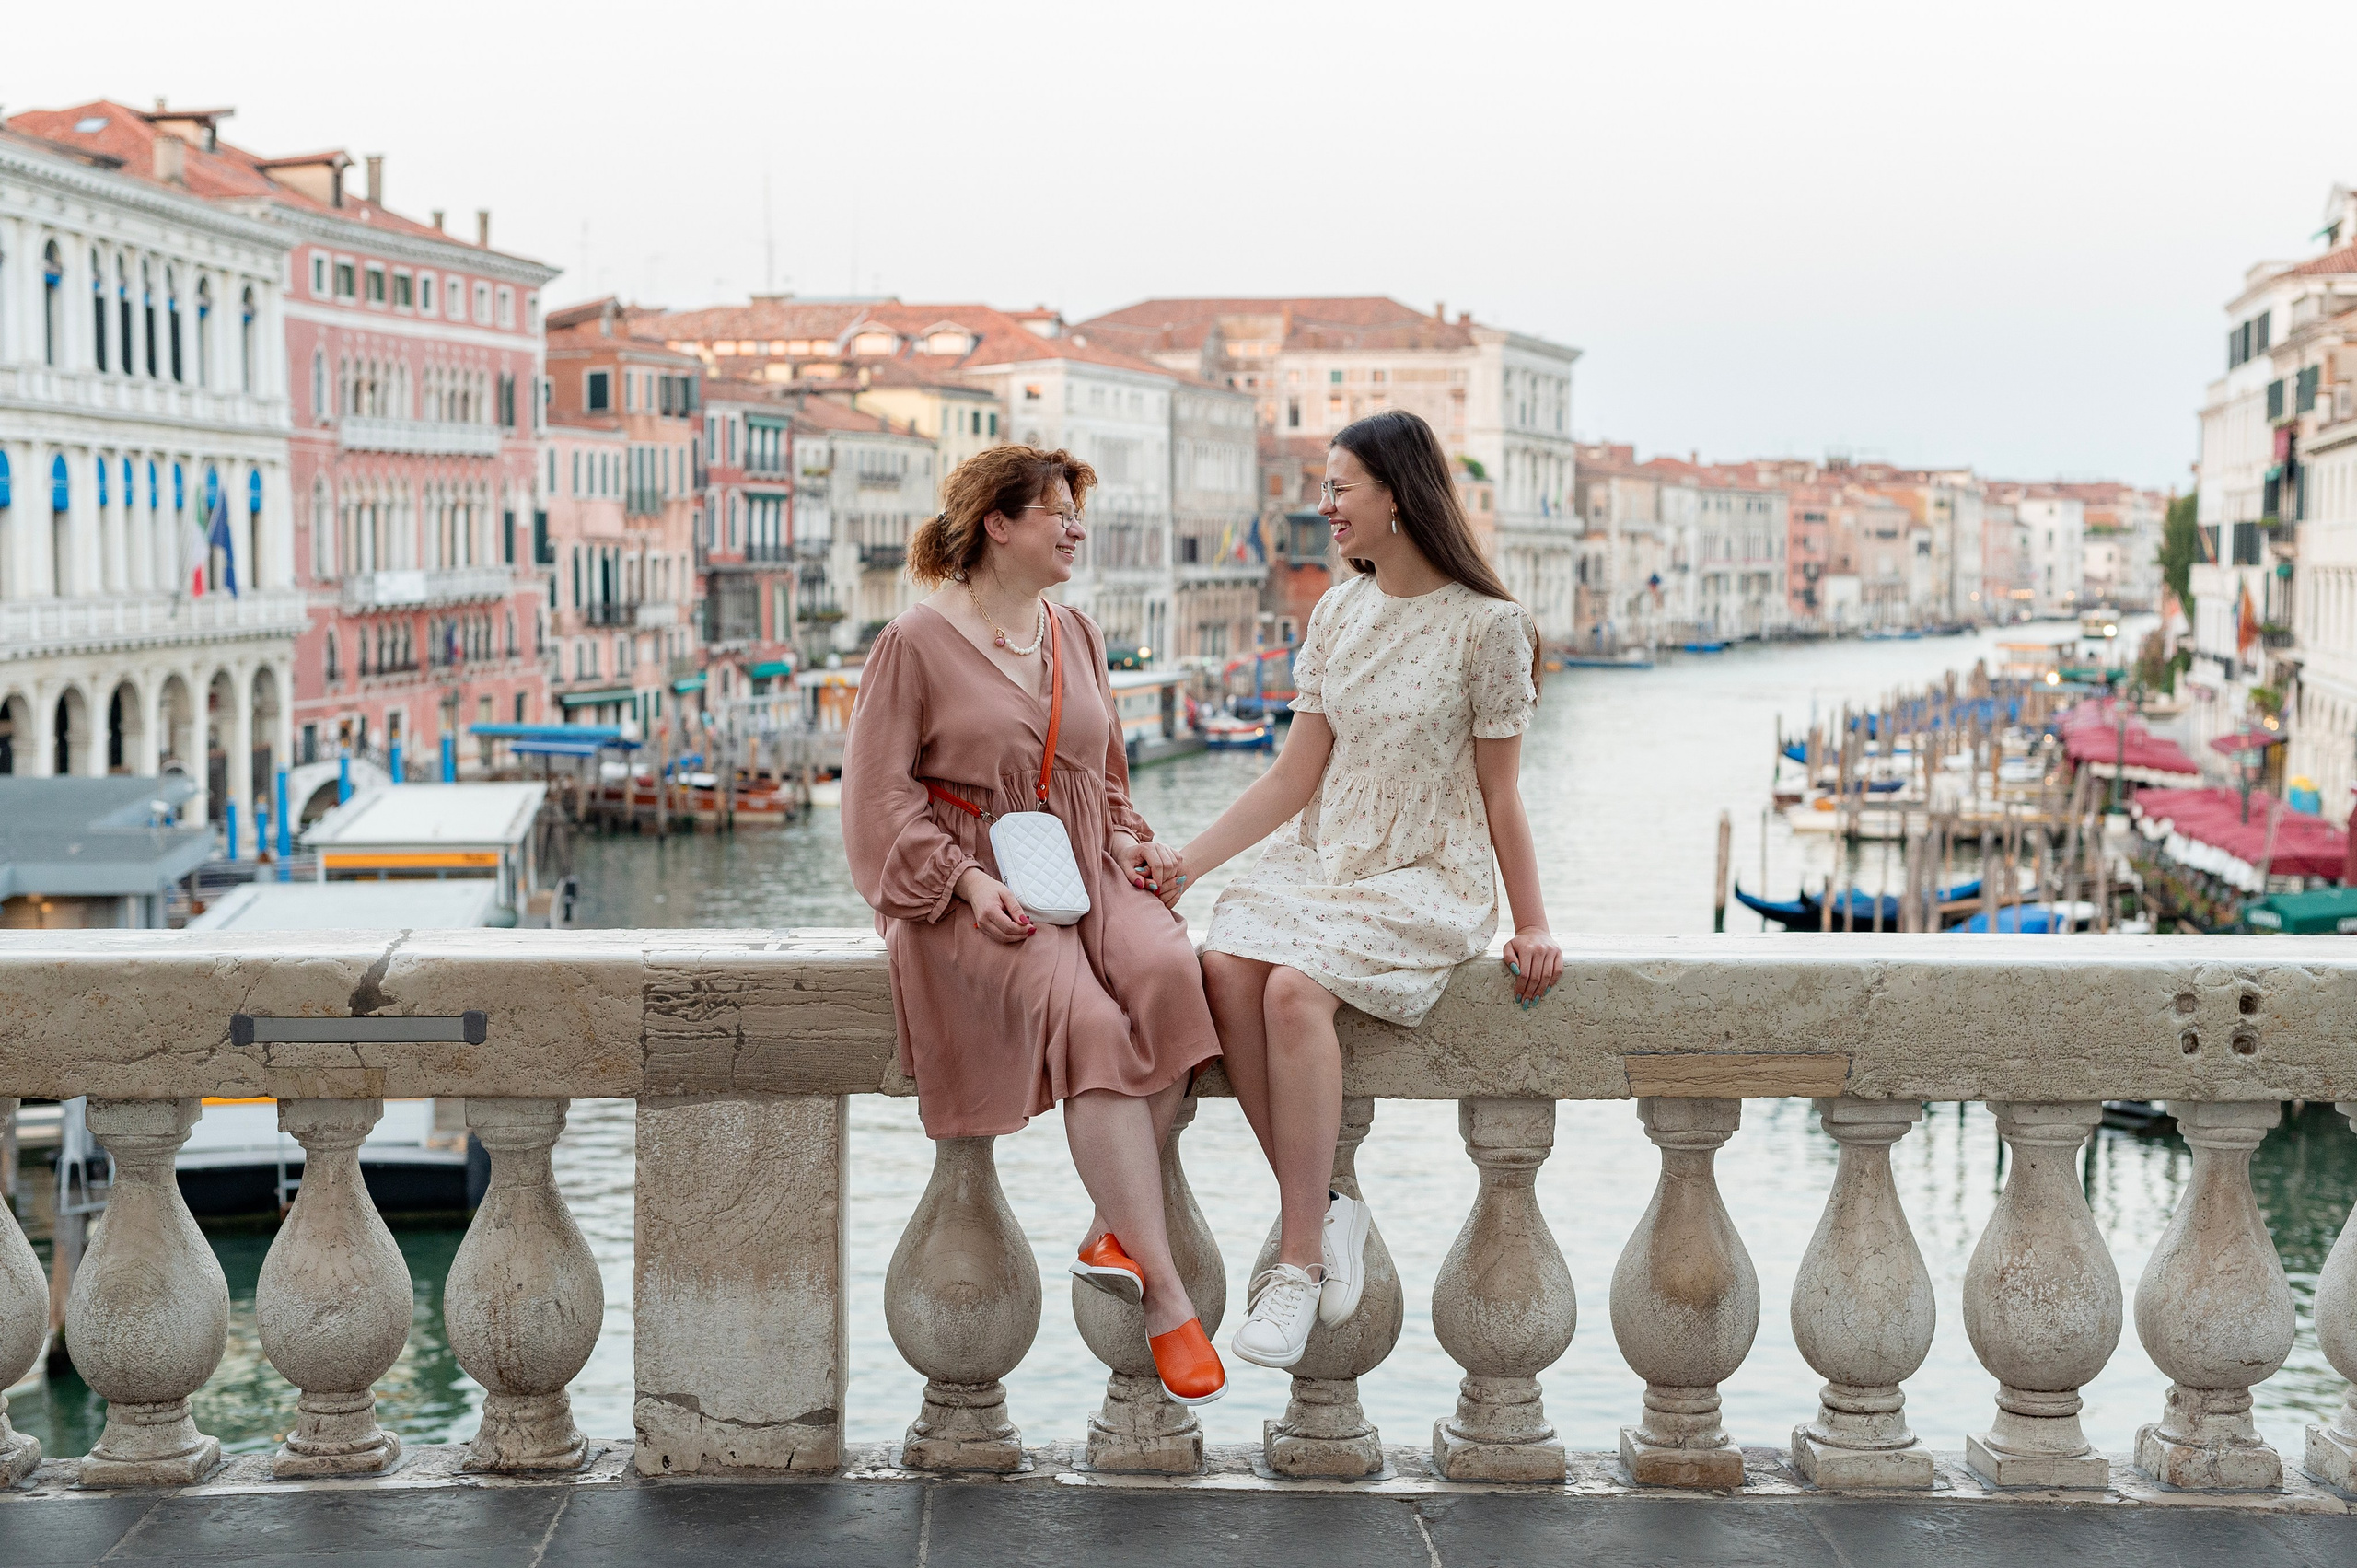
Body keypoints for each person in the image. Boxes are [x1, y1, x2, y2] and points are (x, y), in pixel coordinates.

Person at [1175, 409, 1564, 1372]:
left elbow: (1500, 794)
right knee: (1225, 963)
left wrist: (1533, 921)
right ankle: (1330, 1209)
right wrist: (1185, 863)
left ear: (1395, 493)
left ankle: (1298, 1260)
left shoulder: (1489, 627)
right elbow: (1289, 778)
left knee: (1294, 990)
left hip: (1428, 866)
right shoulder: (1339, 610)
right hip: (1328, 853)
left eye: (1339, 485)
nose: (1324, 505)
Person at [842, 445, 1225, 1406]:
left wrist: (1133, 842)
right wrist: (963, 884)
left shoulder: (1079, 632)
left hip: (1085, 868)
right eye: (1053, 511)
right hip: (972, 890)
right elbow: (878, 801)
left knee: (1177, 978)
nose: (1073, 527)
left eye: (1074, 511)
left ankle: (1112, 1225)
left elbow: (1104, 779)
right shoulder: (913, 644)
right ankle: (1167, 1292)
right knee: (1094, 1027)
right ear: (994, 525)